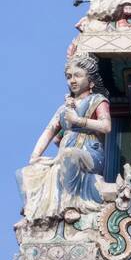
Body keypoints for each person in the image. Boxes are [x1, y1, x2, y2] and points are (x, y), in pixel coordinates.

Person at [19, 53, 110, 227]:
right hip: (66, 153)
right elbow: (49, 132)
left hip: (90, 153)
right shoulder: (63, 108)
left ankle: (70, 205)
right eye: (69, 77)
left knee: (69, 155)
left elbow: (106, 127)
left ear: (90, 82)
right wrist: (35, 155)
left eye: (78, 75)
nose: (72, 80)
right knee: (26, 172)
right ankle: (30, 213)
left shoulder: (97, 100)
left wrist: (78, 121)